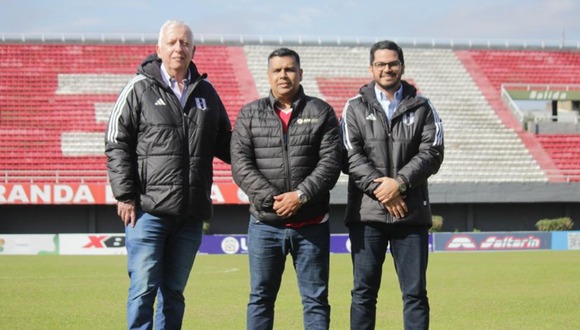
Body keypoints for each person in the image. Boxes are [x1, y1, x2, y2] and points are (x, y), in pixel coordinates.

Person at [105, 19, 232, 330]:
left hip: (190, 214)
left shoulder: (207, 92)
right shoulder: (138, 88)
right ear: (158, 49)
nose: (179, 48)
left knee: (174, 293)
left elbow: (228, 143)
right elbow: (115, 141)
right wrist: (124, 194)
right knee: (143, 290)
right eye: (173, 42)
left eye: (185, 43)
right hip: (148, 211)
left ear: (193, 50)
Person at [231, 48, 342, 330]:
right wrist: (275, 200)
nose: (284, 75)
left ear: (300, 74)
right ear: (268, 75)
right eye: (277, 70)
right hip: (265, 225)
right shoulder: (249, 114)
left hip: (312, 225)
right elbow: (241, 165)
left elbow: (330, 163)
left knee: (315, 300)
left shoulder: (321, 112)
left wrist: (300, 196)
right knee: (261, 298)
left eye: (290, 69)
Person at [340, 40, 444, 330]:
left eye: (393, 63)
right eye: (381, 64)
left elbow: (433, 153)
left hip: (410, 216)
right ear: (371, 68)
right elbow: (349, 155)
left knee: (414, 294)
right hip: (367, 216)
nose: (387, 69)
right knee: (363, 293)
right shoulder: (353, 107)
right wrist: (382, 191)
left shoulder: (423, 106)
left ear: (402, 66)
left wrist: (399, 184)